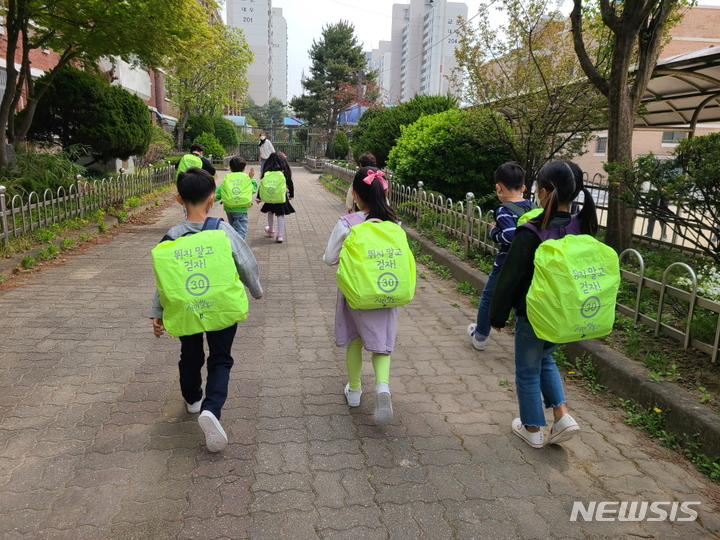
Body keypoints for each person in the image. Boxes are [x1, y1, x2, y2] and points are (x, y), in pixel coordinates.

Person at [150, 168, 263, 452]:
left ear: (178, 199)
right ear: (213, 199)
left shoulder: (171, 237)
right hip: (221, 306)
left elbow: (166, 280)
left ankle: (192, 400)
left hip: (187, 307)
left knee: (190, 354)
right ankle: (212, 409)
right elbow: (245, 262)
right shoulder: (222, 229)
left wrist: (157, 311)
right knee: (220, 358)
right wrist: (256, 289)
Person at [489, 161, 599, 448]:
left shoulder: (532, 231)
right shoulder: (582, 224)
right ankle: (562, 416)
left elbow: (510, 278)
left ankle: (533, 428)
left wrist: (496, 316)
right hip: (567, 313)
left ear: (544, 190)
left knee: (526, 369)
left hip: (534, 314)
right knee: (543, 357)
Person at [323, 166, 400, 425]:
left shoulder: (347, 223)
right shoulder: (394, 223)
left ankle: (354, 391)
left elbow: (329, 259)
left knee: (355, 339)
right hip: (386, 292)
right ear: (384, 192)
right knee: (381, 343)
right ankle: (382, 387)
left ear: (354, 195)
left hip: (356, 294)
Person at [467, 162, 533, 352]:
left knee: (489, 297)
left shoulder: (505, 209)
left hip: (506, 265)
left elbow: (512, 236)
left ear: (498, 187)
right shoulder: (532, 207)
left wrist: (494, 234)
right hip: (529, 264)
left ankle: (480, 335)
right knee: (521, 300)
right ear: (523, 188)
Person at [256, 152, 295, 243]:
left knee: (270, 212)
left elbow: (262, 185)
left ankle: (271, 230)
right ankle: (280, 235)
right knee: (280, 214)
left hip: (269, 197)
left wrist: (259, 197)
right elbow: (290, 183)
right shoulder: (284, 172)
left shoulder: (267, 172)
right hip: (281, 197)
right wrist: (291, 195)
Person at [215, 156, 256, 240]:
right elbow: (253, 189)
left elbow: (219, 191)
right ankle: (235, 248)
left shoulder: (228, 178)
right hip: (241, 208)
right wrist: (251, 178)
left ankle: (232, 245)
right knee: (241, 231)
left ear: (230, 168)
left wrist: (209, 199)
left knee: (233, 230)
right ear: (244, 168)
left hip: (229, 208)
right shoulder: (246, 178)